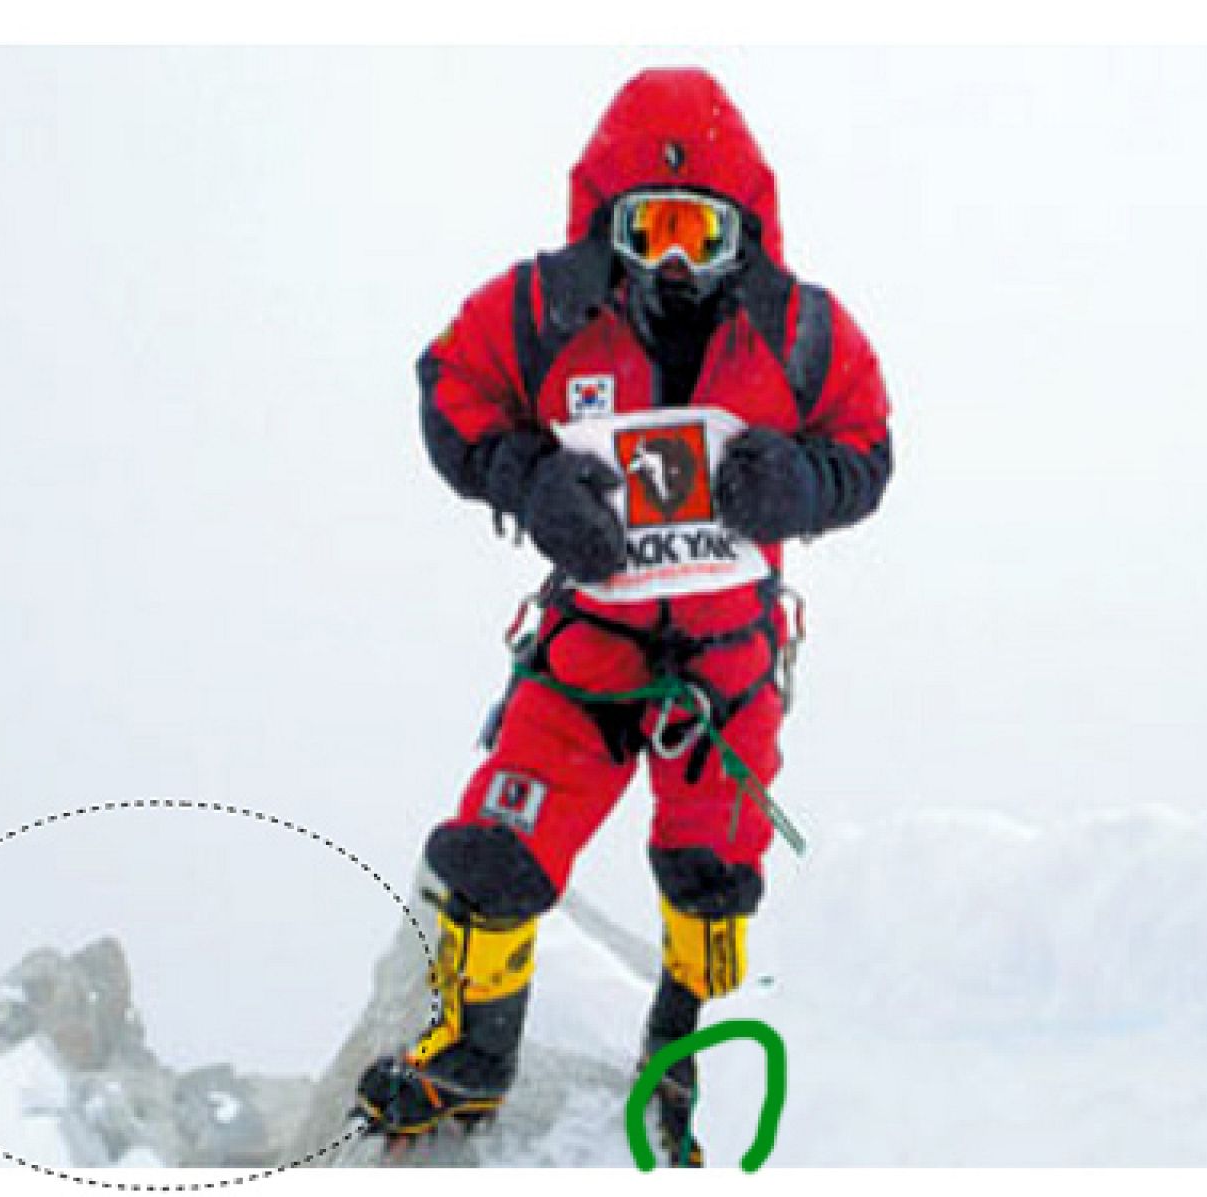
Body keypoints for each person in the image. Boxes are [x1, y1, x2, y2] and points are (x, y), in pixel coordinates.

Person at [355, 67, 892, 1165]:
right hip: (587, 649)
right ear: (610, 223)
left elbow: (869, 444)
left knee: (711, 874)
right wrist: (527, 476)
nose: (680, 258)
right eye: (653, 228)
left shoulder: (800, 333)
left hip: (728, 664)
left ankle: (689, 1067)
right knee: (495, 849)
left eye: (705, 229)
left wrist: (803, 485)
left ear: (747, 226)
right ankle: (468, 1056)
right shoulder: (544, 310)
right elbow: (448, 385)